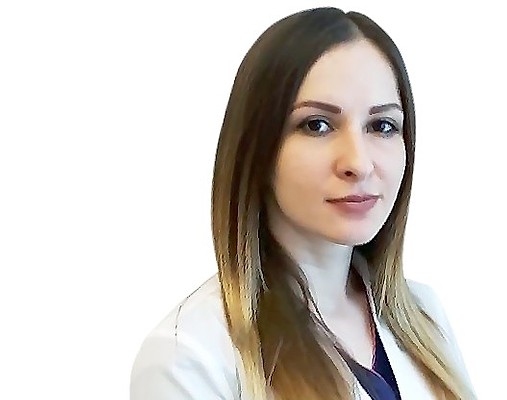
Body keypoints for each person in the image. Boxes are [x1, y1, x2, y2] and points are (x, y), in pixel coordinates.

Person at [130, 7, 476, 400]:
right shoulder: (190, 357)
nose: (359, 163)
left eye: (382, 126)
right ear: (257, 149)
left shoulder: (426, 318)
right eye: (317, 125)